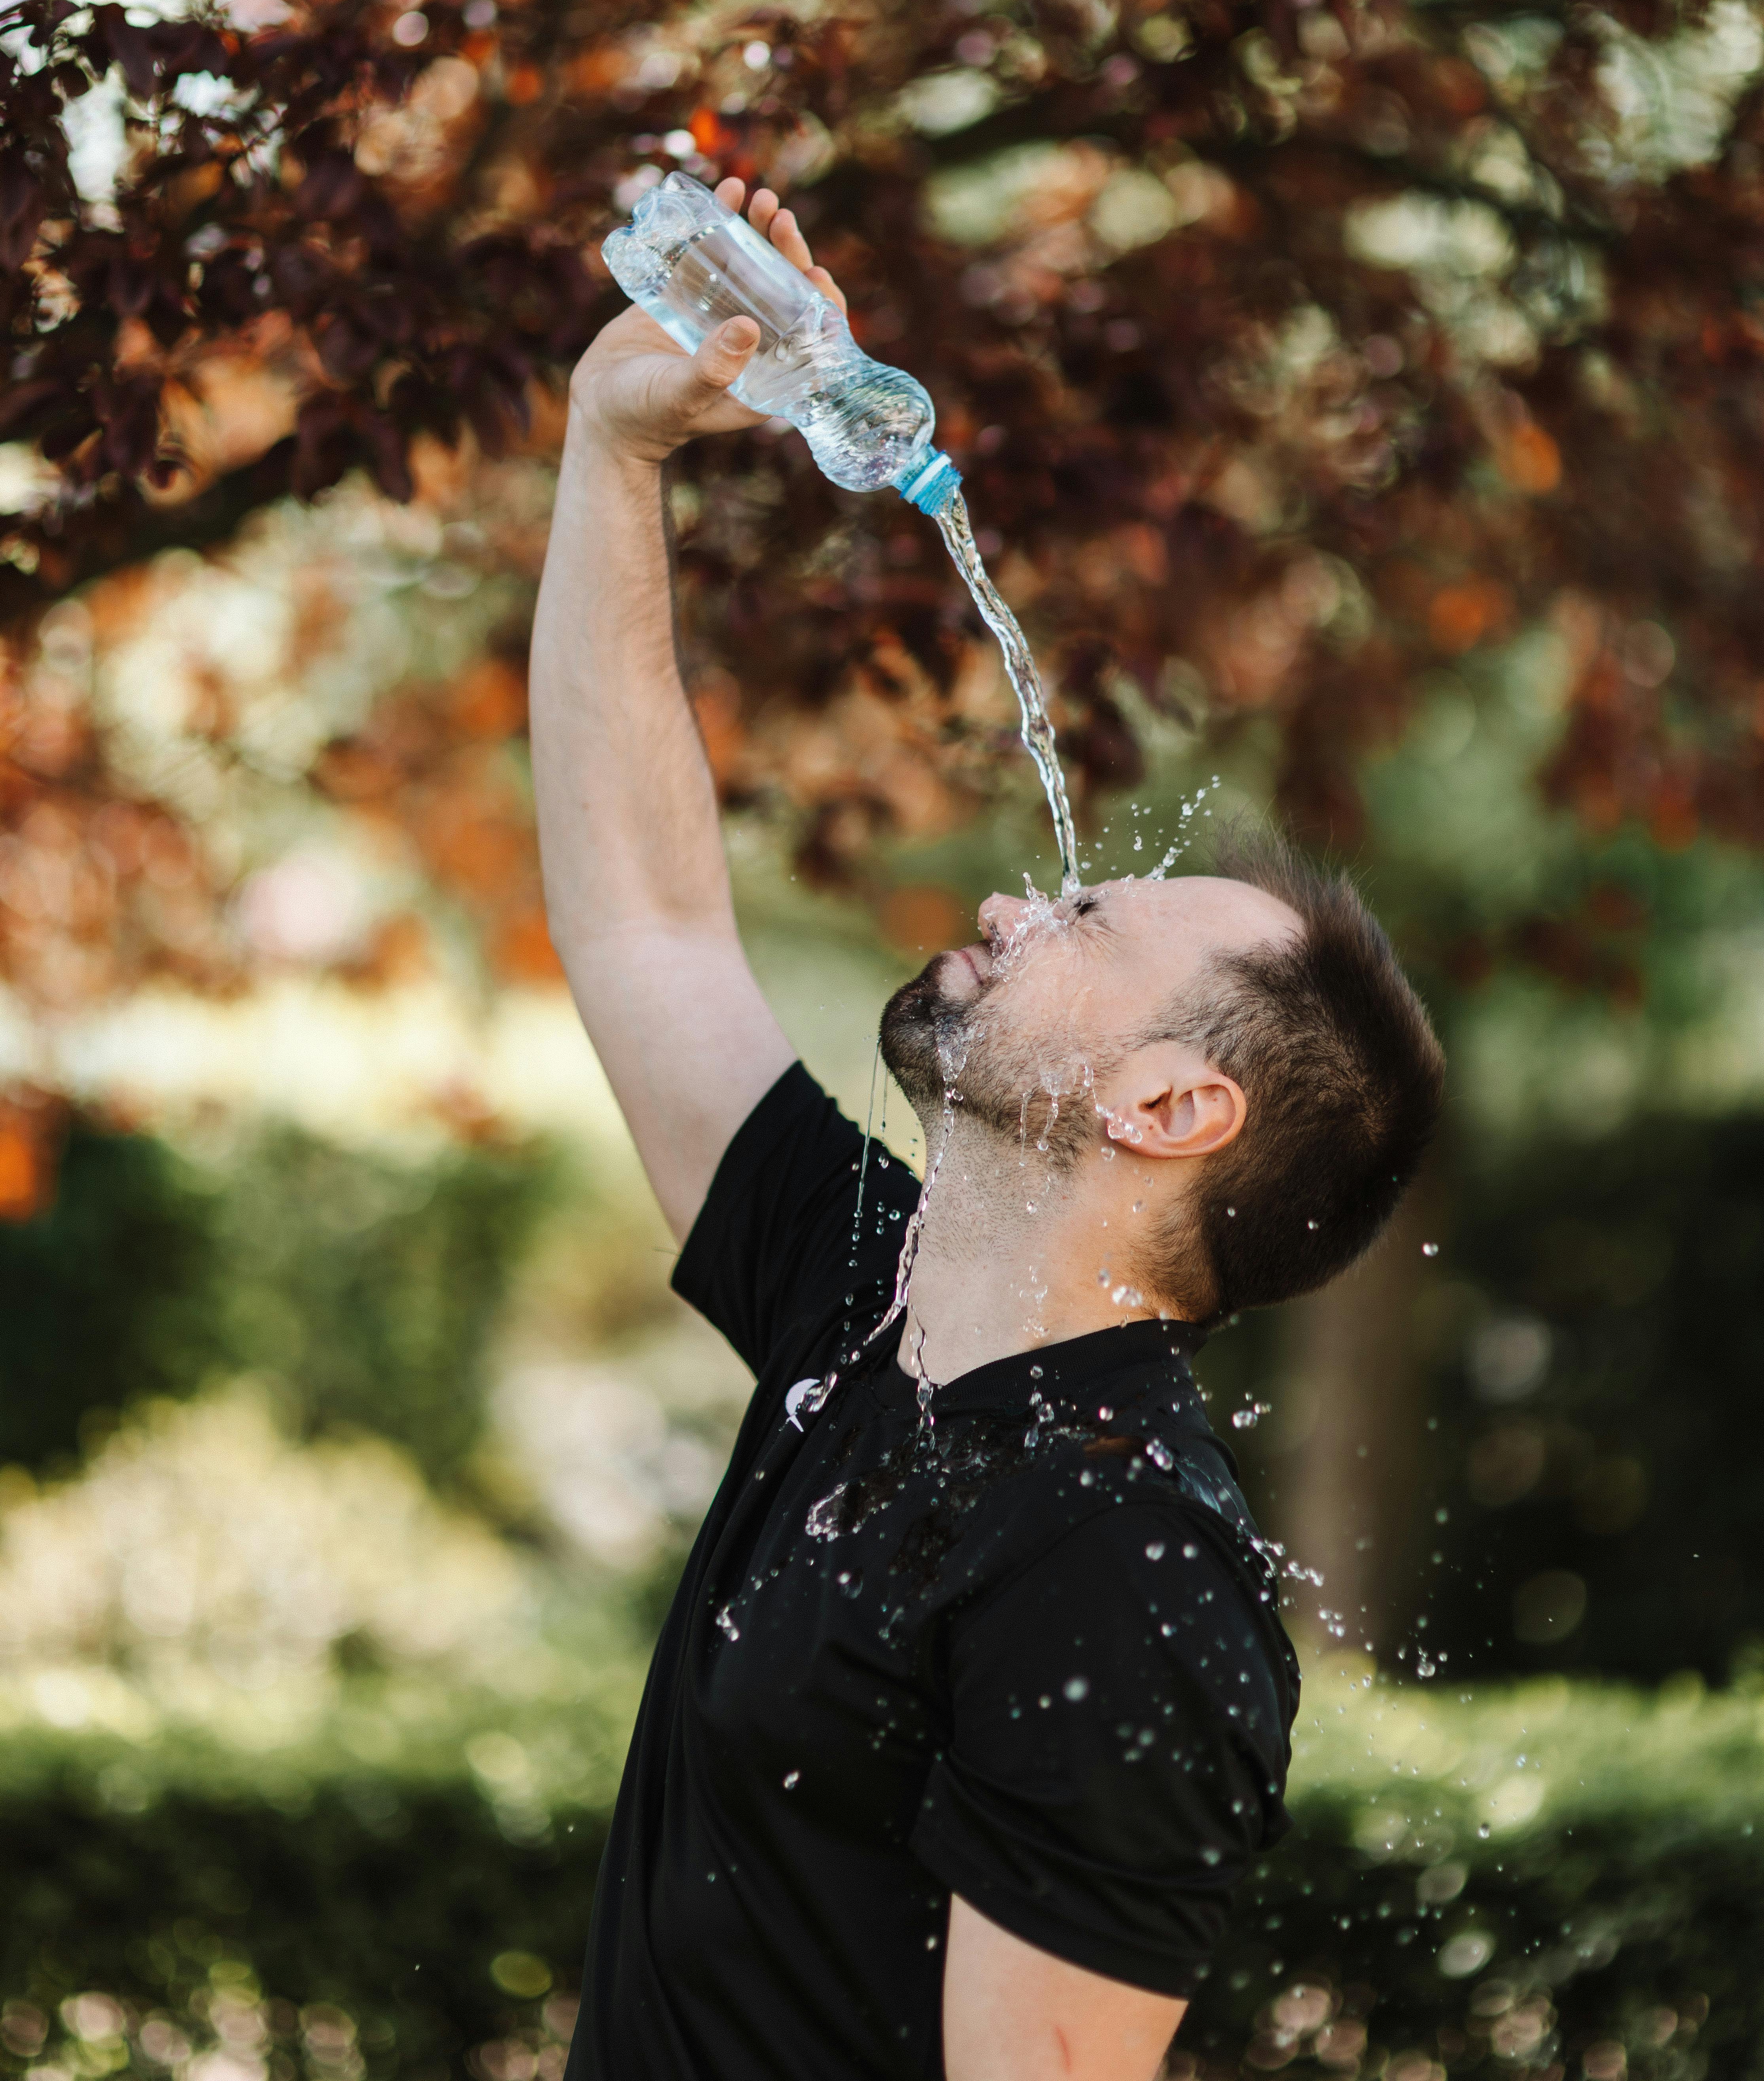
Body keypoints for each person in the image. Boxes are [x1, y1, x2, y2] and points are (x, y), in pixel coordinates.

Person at [531, 181, 1445, 2081]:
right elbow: (643, 922)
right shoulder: (871, 1306)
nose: (1024, 906)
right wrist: (611, 453)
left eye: (1090, 924)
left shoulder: (1112, 1554)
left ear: (1170, 1107)